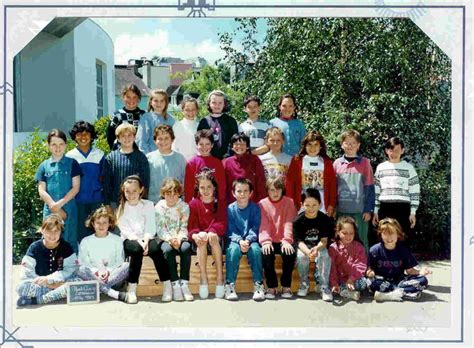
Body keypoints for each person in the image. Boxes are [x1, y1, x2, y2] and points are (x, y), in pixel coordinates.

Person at [116, 175, 172, 303]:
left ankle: (167, 284)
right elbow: (126, 230)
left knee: (156, 250)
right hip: (130, 239)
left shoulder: (148, 205)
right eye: (127, 192)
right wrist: (139, 242)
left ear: (141, 189)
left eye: (134, 191)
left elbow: (151, 225)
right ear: (123, 192)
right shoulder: (122, 208)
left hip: (147, 236)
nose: (131, 195)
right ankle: (132, 287)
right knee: (136, 250)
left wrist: (146, 240)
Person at [16, 215, 80, 306]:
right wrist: (45, 283)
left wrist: (49, 279)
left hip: (60, 281)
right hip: (41, 284)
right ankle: (56, 293)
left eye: (56, 231)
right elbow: (27, 271)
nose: (52, 235)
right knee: (21, 288)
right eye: (49, 231)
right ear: (42, 231)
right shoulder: (34, 247)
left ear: (61, 232)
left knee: (77, 282)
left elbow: (70, 269)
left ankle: (38, 300)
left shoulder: (66, 247)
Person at [35, 129, 82, 253]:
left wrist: (59, 204)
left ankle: (70, 270)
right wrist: (52, 205)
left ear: (66, 145)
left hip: (69, 209)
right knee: (50, 238)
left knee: (69, 240)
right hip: (50, 209)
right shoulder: (44, 166)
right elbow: (41, 189)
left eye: (61, 144)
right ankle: (49, 268)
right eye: (54, 144)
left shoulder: (73, 163)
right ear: (48, 145)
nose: (57, 148)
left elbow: (76, 188)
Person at [366, 218, 431, 302]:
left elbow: (410, 271)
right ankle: (403, 293)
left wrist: (420, 272)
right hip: (382, 281)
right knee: (369, 282)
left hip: (399, 281)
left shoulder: (403, 250)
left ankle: (389, 294)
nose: (389, 237)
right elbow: (369, 269)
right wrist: (369, 273)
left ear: (398, 234)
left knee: (423, 280)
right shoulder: (374, 250)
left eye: (392, 233)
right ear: (380, 235)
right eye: (385, 234)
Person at [372, 137, 420, 247]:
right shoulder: (380, 168)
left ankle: (403, 263)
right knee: (384, 236)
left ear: (402, 151)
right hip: (385, 207)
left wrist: (413, 212)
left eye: (397, 150)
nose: (394, 153)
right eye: (391, 150)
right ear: (386, 151)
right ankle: (385, 263)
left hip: (403, 208)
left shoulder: (409, 168)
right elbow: (376, 190)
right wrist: (375, 210)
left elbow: (415, 190)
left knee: (402, 237)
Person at [333, 129, 375, 252]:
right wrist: (334, 207)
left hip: (360, 211)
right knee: (342, 240)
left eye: (353, 143)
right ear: (342, 145)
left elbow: (370, 187)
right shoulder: (336, 164)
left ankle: (364, 268)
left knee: (361, 239)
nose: (350, 146)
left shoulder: (365, 163)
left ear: (358, 145)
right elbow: (333, 188)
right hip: (342, 210)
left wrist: (368, 209)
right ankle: (344, 267)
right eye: (346, 143)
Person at [188, 169, 226, 299]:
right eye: (202, 187)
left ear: (214, 187)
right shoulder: (193, 204)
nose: (206, 190)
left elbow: (222, 222)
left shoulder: (220, 202)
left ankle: (220, 278)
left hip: (216, 239)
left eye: (209, 187)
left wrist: (212, 231)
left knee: (213, 239)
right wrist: (196, 235)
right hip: (201, 240)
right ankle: (203, 279)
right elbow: (191, 226)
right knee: (201, 242)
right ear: (197, 188)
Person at [77, 207, 130, 302]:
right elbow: (83, 262)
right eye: (98, 223)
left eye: (105, 222)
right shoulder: (85, 241)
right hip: (92, 277)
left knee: (127, 265)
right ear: (93, 223)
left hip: (112, 278)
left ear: (110, 223)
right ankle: (110, 292)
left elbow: (119, 261)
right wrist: (96, 272)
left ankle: (100, 288)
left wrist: (108, 271)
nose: (101, 225)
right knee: (79, 268)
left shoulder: (117, 240)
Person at [224, 178, 265, 301]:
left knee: (256, 251)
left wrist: (247, 240)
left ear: (251, 193)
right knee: (233, 251)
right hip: (235, 241)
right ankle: (229, 285)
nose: (242, 194)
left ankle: (258, 285)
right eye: (239, 191)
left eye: (246, 191)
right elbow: (230, 229)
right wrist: (239, 241)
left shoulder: (255, 208)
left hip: (250, 241)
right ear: (233, 193)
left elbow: (255, 227)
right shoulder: (230, 209)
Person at [155, 178, 193, 301]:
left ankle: (184, 284)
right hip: (165, 239)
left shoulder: (184, 207)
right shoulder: (159, 207)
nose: (171, 197)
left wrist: (179, 239)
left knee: (186, 248)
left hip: (180, 237)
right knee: (168, 251)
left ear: (179, 193)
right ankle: (175, 285)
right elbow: (160, 228)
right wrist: (170, 239)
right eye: (168, 194)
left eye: (174, 194)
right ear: (163, 194)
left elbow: (184, 226)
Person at [258, 177, 297, 299]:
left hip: (284, 239)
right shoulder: (262, 204)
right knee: (266, 253)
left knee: (289, 253)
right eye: (272, 190)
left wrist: (286, 241)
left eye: (278, 189)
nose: (275, 193)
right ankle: (272, 286)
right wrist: (265, 241)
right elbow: (264, 225)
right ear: (267, 191)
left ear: (282, 190)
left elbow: (289, 223)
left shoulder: (289, 202)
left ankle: (286, 286)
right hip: (269, 239)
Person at [67, 121, 105, 243]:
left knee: (97, 230)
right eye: (79, 134)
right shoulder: (70, 156)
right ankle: (83, 259)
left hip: (96, 200)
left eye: (87, 134)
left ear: (92, 136)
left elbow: (103, 178)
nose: (83, 137)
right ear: (74, 137)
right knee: (81, 232)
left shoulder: (99, 154)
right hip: (78, 201)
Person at [294, 188, 334, 301]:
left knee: (325, 256)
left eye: (314, 205)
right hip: (305, 247)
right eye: (307, 205)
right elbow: (299, 242)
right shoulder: (298, 221)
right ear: (302, 204)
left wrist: (316, 249)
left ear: (320, 204)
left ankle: (324, 286)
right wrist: (308, 252)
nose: (311, 209)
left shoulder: (325, 219)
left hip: (319, 246)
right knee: (301, 257)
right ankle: (304, 284)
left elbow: (324, 241)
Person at [286, 130, 337, 215]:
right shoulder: (297, 160)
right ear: (305, 145)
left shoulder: (327, 162)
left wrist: (331, 204)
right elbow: (290, 184)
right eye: (309, 144)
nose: (312, 148)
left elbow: (332, 186)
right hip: (302, 206)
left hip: (322, 206)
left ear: (321, 146)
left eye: (316, 144)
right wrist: (292, 204)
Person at [103, 123, 150, 211]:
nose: (126, 138)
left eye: (129, 135)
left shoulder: (141, 157)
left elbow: (145, 182)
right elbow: (106, 183)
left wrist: (142, 201)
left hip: (135, 202)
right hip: (115, 203)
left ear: (134, 137)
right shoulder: (110, 158)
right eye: (123, 136)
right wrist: (107, 203)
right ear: (118, 138)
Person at [328, 216, 367, 301]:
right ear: (338, 232)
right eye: (344, 233)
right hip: (337, 279)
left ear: (355, 232)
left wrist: (351, 279)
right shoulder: (333, 248)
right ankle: (342, 291)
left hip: (352, 279)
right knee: (325, 281)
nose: (348, 236)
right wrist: (334, 283)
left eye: (351, 233)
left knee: (364, 283)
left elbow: (360, 265)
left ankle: (343, 291)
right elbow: (332, 267)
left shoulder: (359, 247)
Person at [222, 133, 267, 204]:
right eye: (236, 144)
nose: (239, 146)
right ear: (232, 147)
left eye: (242, 144)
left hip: (252, 203)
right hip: (232, 204)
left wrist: (262, 202)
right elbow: (223, 186)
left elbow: (261, 182)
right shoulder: (226, 163)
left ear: (247, 147)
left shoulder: (255, 160)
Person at [146, 125, 186, 204]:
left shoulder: (180, 159)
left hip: (175, 203)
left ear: (172, 140)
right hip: (153, 202)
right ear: (154, 141)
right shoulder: (149, 158)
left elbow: (183, 182)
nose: (163, 142)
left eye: (166, 138)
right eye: (160, 139)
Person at [184, 129, 226, 203]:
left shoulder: (217, 163)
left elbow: (222, 186)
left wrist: (220, 203)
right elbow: (188, 188)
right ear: (196, 145)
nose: (204, 147)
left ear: (212, 145)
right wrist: (189, 204)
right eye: (201, 144)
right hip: (198, 204)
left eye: (207, 144)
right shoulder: (191, 163)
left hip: (214, 203)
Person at [197, 90, 239, 159]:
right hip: (208, 159)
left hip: (227, 160)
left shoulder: (231, 121)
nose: (217, 105)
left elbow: (234, 141)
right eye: (214, 102)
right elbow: (200, 142)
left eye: (220, 103)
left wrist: (227, 157)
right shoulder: (204, 122)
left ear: (224, 104)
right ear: (209, 103)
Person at [106, 84, 145, 150]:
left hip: (140, 153)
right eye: (128, 97)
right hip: (121, 154)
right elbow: (110, 136)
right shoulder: (117, 115)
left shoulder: (144, 115)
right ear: (123, 97)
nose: (131, 100)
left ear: (139, 98)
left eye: (134, 97)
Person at [136, 89, 175, 154]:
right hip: (151, 158)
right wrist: (148, 157)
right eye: (156, 101)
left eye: (162, 101)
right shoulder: (146, 118)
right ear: (151, 102)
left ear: (166, 102)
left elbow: (174, 141)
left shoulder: (171, 120)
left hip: (168, 156)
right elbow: (141, 141)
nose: (159, 103)